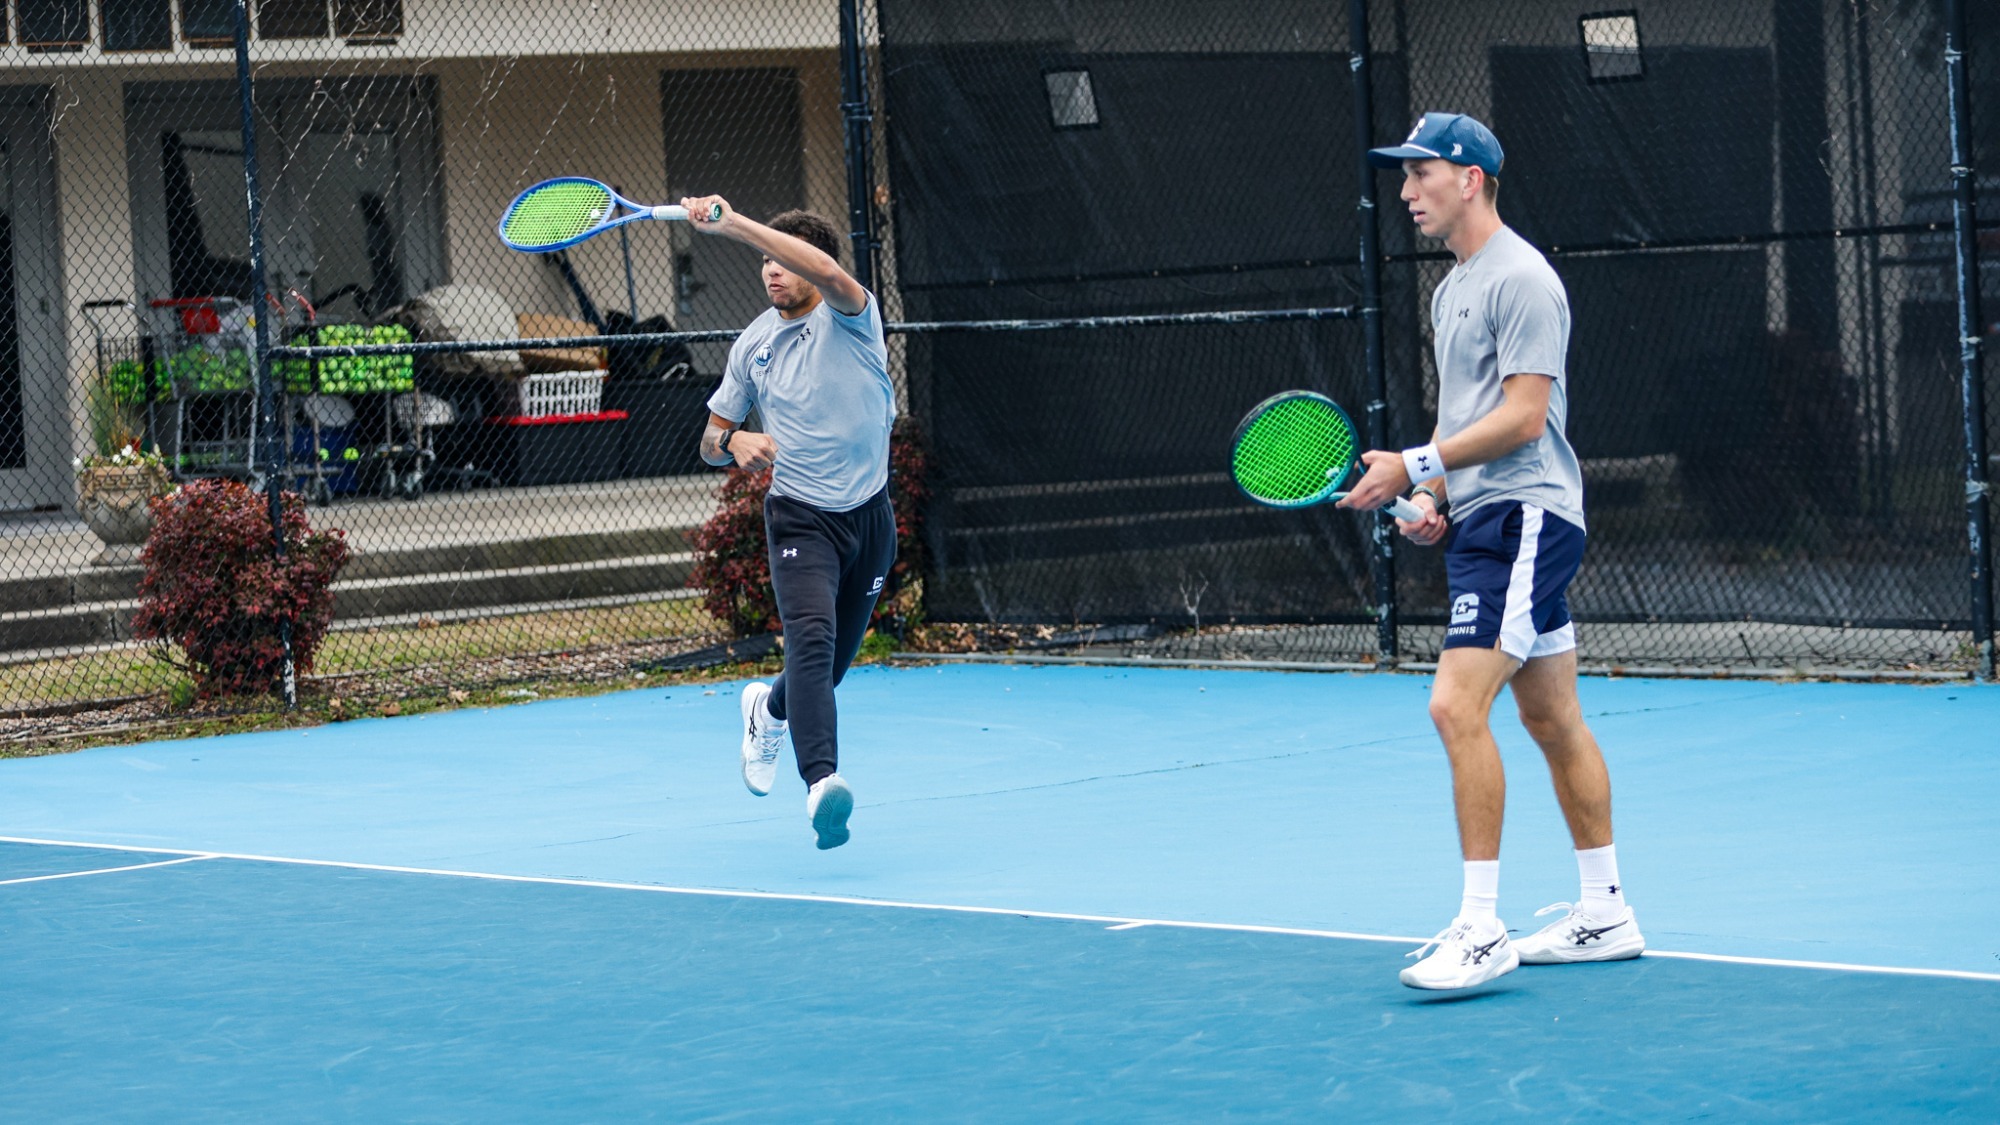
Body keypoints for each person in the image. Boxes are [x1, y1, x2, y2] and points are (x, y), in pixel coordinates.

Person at [1339, 113, 1645, 989]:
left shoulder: (1523, 279)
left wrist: (1418, 463)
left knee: (1452, 705)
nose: (1405, 193)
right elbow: (1459, 419)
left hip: (1527, 517)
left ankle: (1480, 929)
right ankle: (1605, 910)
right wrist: (1430, 496)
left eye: (1420, 175)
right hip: (1484, 519)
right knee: (1550, 716)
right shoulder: (1452, 289)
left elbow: (1522, 413)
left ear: (1469, 178)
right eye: (1403, 178)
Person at [688, 198, 896, 851]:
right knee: (809, 643)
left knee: (828, 669)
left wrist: (737, 224)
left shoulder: (851, 317)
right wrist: (734, 444)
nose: (771, 270)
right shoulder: (751, 345)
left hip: (870, 514)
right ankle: (821, 784)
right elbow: (710, 439)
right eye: (764, 261)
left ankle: (766, 709)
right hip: (799, 515)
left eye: (784, 259)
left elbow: (833, 273)